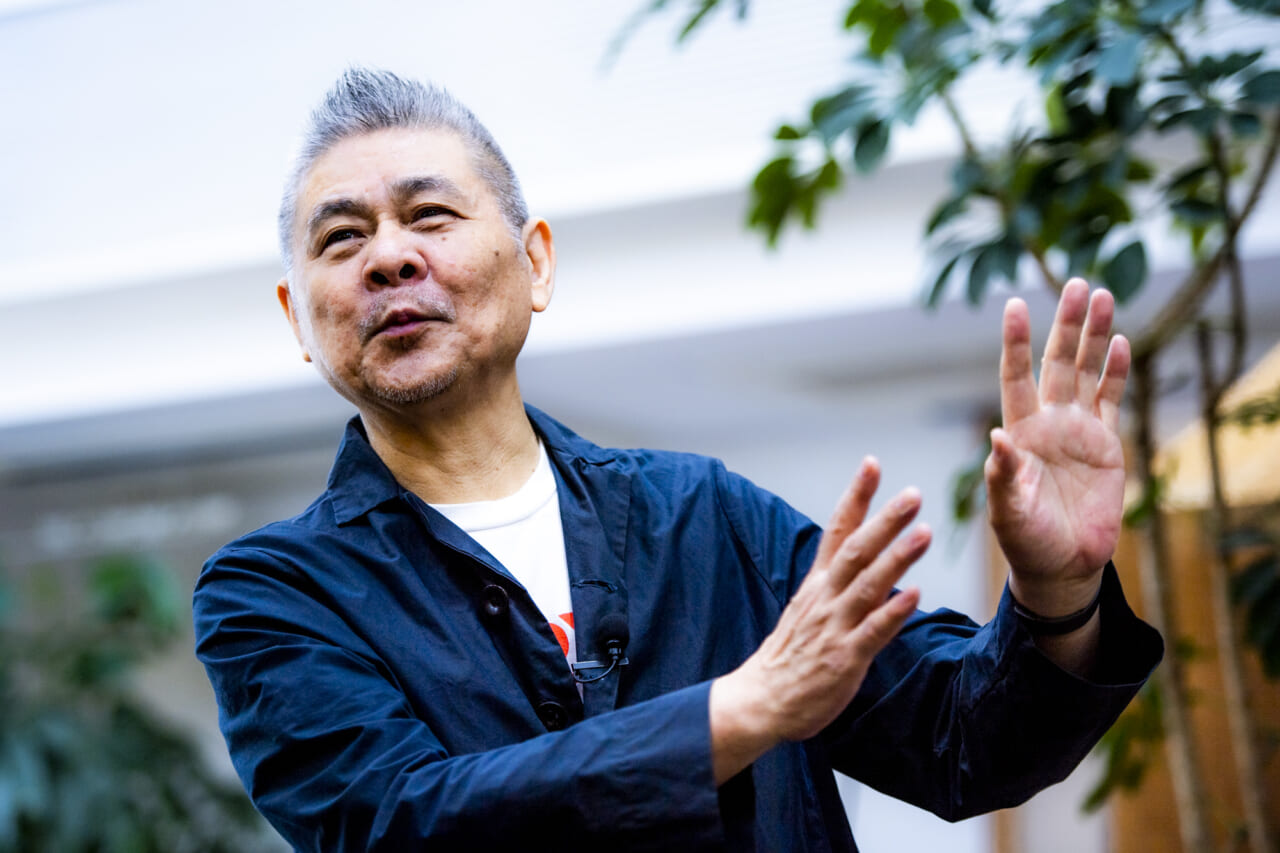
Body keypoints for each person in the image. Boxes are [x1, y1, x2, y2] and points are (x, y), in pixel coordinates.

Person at [193, 67, 1162, 852]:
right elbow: (398, 823)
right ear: (298, 320)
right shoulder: (273, 593)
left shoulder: (703, 516)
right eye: (342, 237)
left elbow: (962, 742)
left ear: (535, 263)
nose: (389, 258)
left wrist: (1056, 594)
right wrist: (740, 711)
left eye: (431, 216)